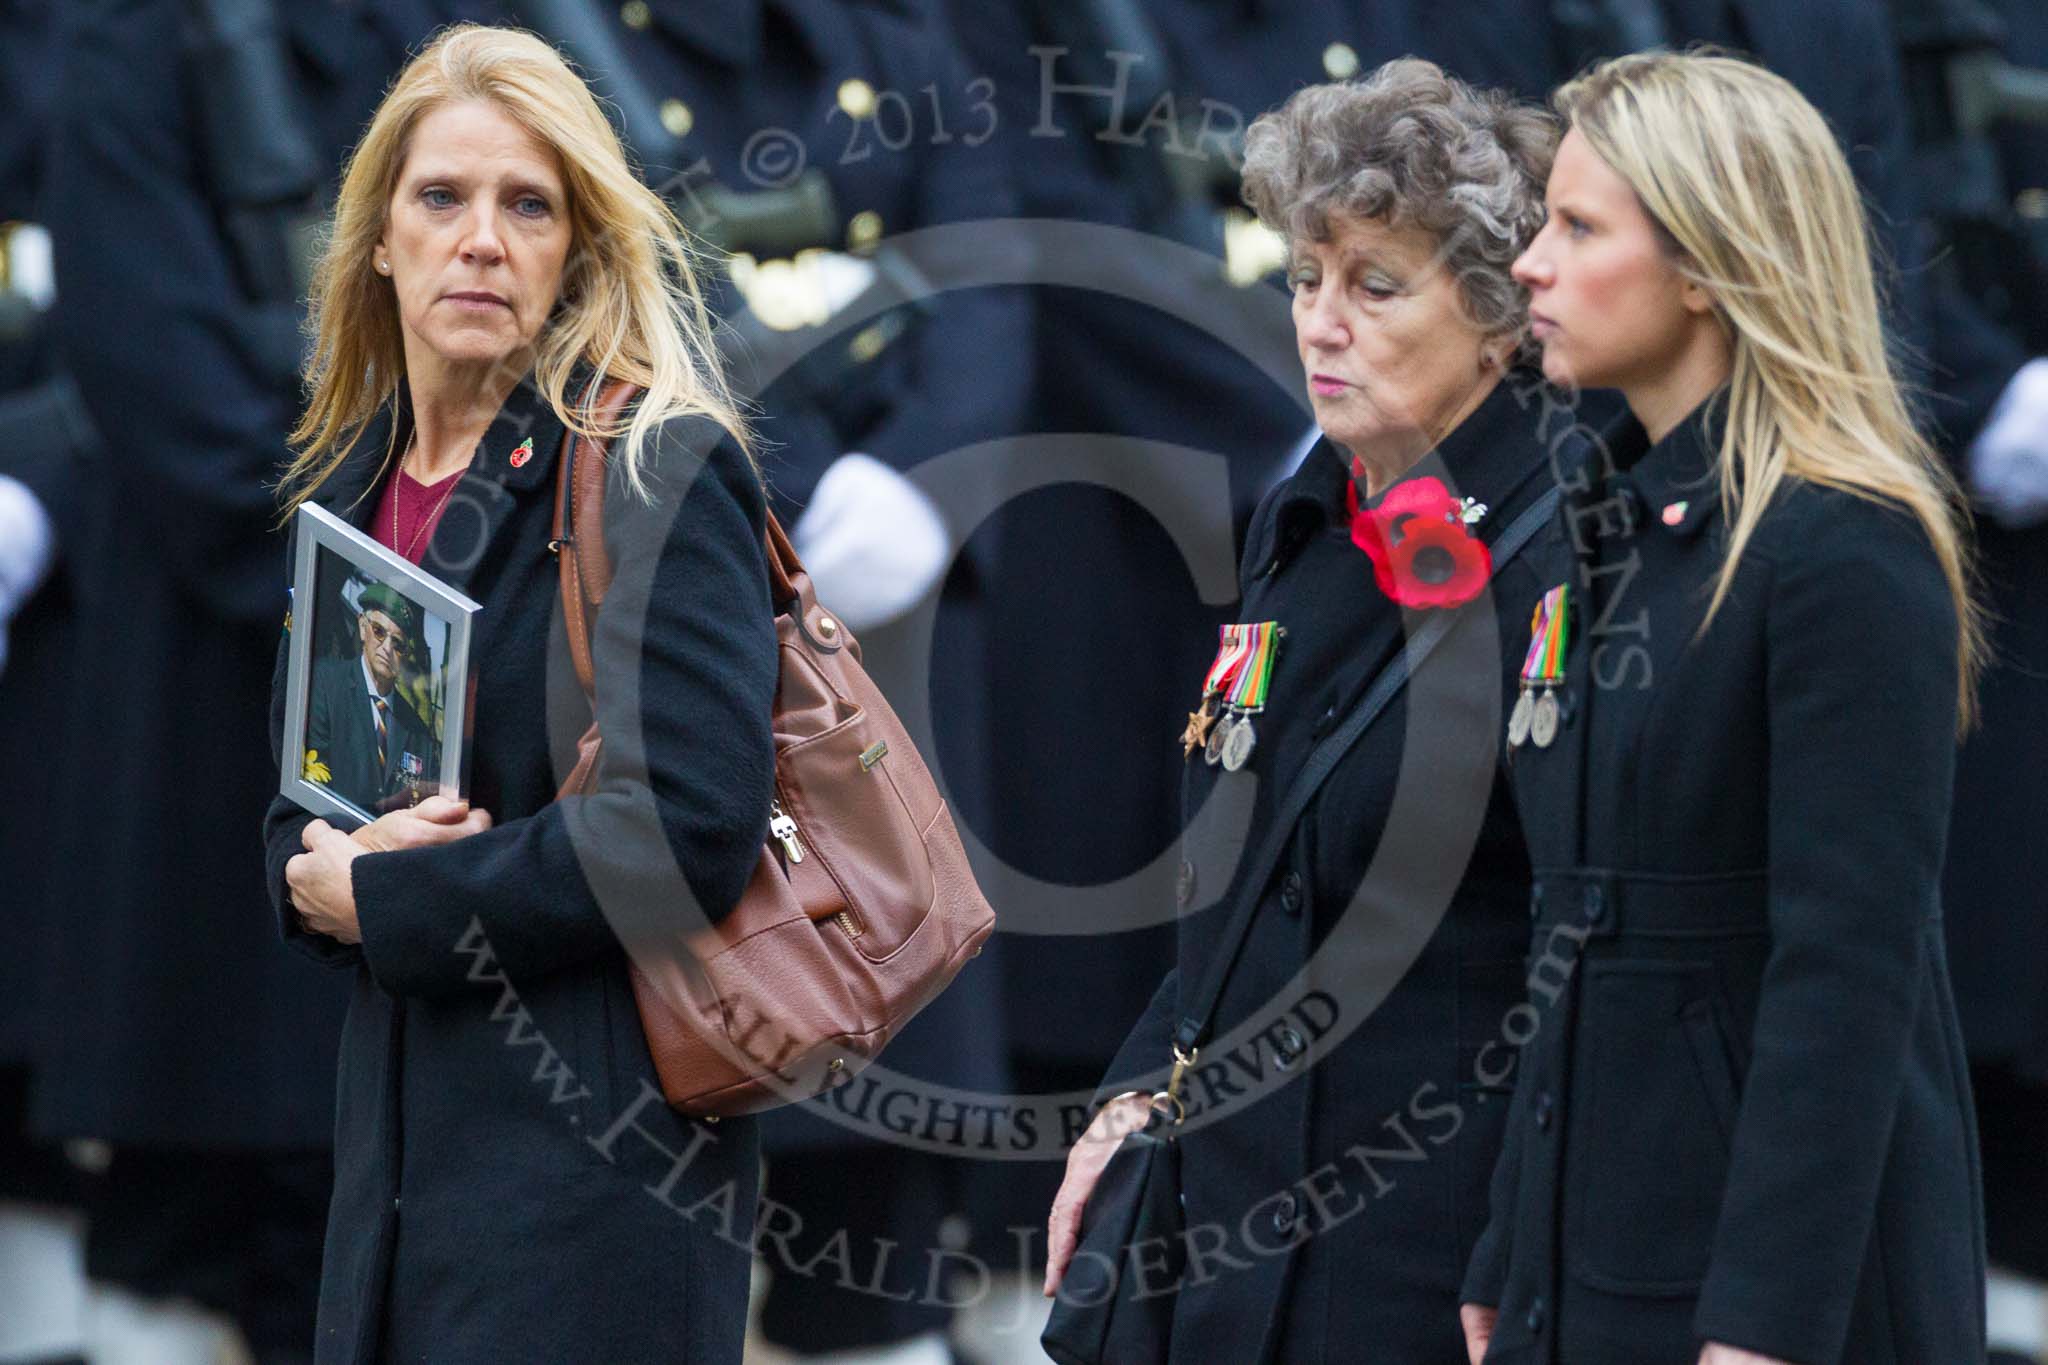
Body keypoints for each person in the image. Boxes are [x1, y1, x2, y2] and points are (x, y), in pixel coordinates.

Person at [1461, 50, 1987, 1365]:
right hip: (1589, 1244)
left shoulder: (1841, 547)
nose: (1532, 264)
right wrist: (1506, 1249)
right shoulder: (1599, 529)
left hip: (1759, 1286)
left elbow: (1848, 975)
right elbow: (1569, 931)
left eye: (1580, 228)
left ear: (1707, 266)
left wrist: (1764, 1330)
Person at [261, 24, 777, 1363]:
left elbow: (688, 828)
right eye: (442, 198)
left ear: (577, 250)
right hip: (393, 1194)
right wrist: (312, 878)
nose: (480, 239)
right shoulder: (356, 488)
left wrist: (395, 896)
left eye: (528, 206)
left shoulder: (653, 463)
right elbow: (310, 803)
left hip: (596, 1196)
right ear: (379, 238)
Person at [1041, 60, 1563, 1363]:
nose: (1320, 323)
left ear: (1499, 319)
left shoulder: (1570, 559)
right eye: (1302, 279)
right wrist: (1127, 1096)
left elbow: (1586, 964)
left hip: (1427, 1272)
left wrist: (1528, 1253)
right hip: (1228, 1252)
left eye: (1375, 286)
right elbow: (1237, 887)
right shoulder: (1308, 520)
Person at [303, 582, 438, 817]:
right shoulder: (325, 682)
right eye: (379, 631)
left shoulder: (419, 734)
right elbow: (311, 776)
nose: (387, 648)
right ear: (362, 626)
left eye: (398, 644)